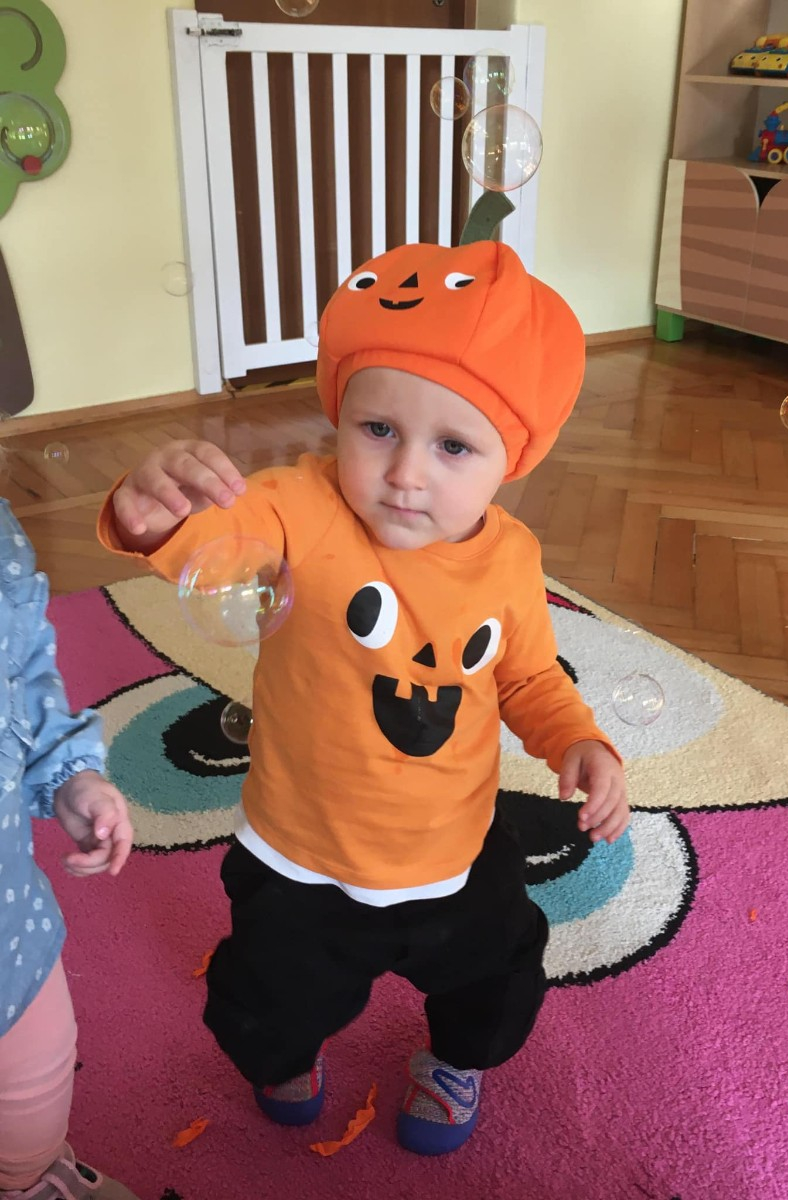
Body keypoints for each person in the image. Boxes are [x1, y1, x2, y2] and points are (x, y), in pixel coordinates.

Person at [98, 238, 629, 1156]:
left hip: (455, 850)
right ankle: (285, 1052)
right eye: (377, 429)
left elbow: (528, 676)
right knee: (271, 995)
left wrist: (578, 741)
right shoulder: (297, 506)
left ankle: (455, 1060)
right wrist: (154, 515)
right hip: (300, 853)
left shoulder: (510, 559)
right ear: (338, 416)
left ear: (513, 460)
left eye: (453, 445)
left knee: (496, 974)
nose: (406, 473)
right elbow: (209, 536)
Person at [0, 499, 138, 1198]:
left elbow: (22, 670)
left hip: (10, 937)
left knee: (36, 1085)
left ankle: (29, 1178)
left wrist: (68, 775)